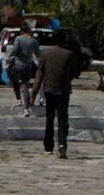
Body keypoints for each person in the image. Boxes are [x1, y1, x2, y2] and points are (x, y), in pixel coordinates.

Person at [31, 29, 77, 158]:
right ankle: (62, 143)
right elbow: (73, 73)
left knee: (49, 119)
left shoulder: (45, 54)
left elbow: (39, 75)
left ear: (54, 40)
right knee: (63, 119)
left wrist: (33, 94)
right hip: (63, 90)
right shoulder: (70, 54)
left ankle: (48, 146)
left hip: (49, 90)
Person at [7, 23, 40, 116]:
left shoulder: (18, 39)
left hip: (17, 64)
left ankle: (18, 100)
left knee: (14, 80)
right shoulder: (34, 41)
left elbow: (14, 50)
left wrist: (9, 57)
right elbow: (38, 55)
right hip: (28, 66)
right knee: (25, 85)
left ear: (21, 31)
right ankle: (26, 109)